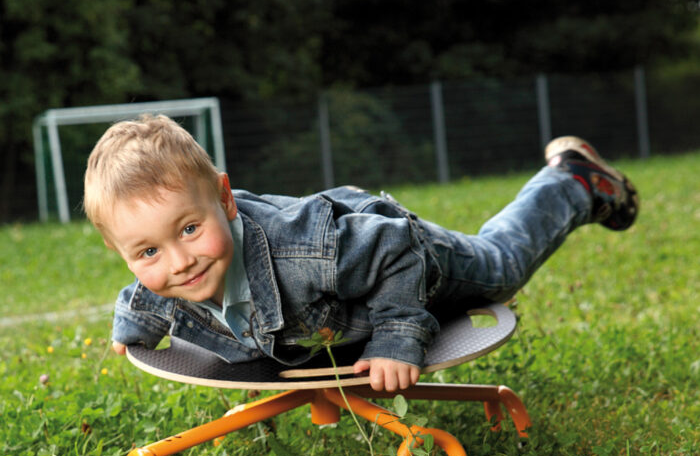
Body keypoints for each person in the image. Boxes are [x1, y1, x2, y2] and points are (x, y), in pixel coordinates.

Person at [83, 115, 639, 392]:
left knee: (501, 265)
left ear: (224, 199)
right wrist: (132, 322)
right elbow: (150, 292)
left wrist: (398, 338)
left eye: (188, 229)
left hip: (396, 253)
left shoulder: (305, 254)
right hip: (350, 267)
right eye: (148, 250)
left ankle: (572, 181)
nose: (179, 262)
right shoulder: (170, 272)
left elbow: (395, 253)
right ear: (120, 251)